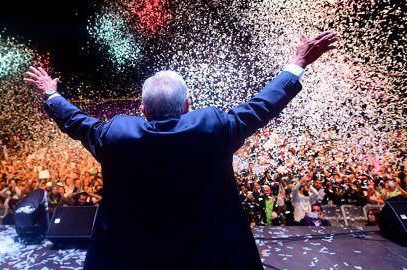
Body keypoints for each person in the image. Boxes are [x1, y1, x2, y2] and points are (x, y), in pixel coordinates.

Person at [24, 31, 338, 270]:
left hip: (131, 259)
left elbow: (76, 121)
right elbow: (262, 106)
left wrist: (51, 93)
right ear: (188, 106)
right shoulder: (214, 129)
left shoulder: (116, 136)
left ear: (142, 110)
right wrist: (298, 63)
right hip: (210, 258)